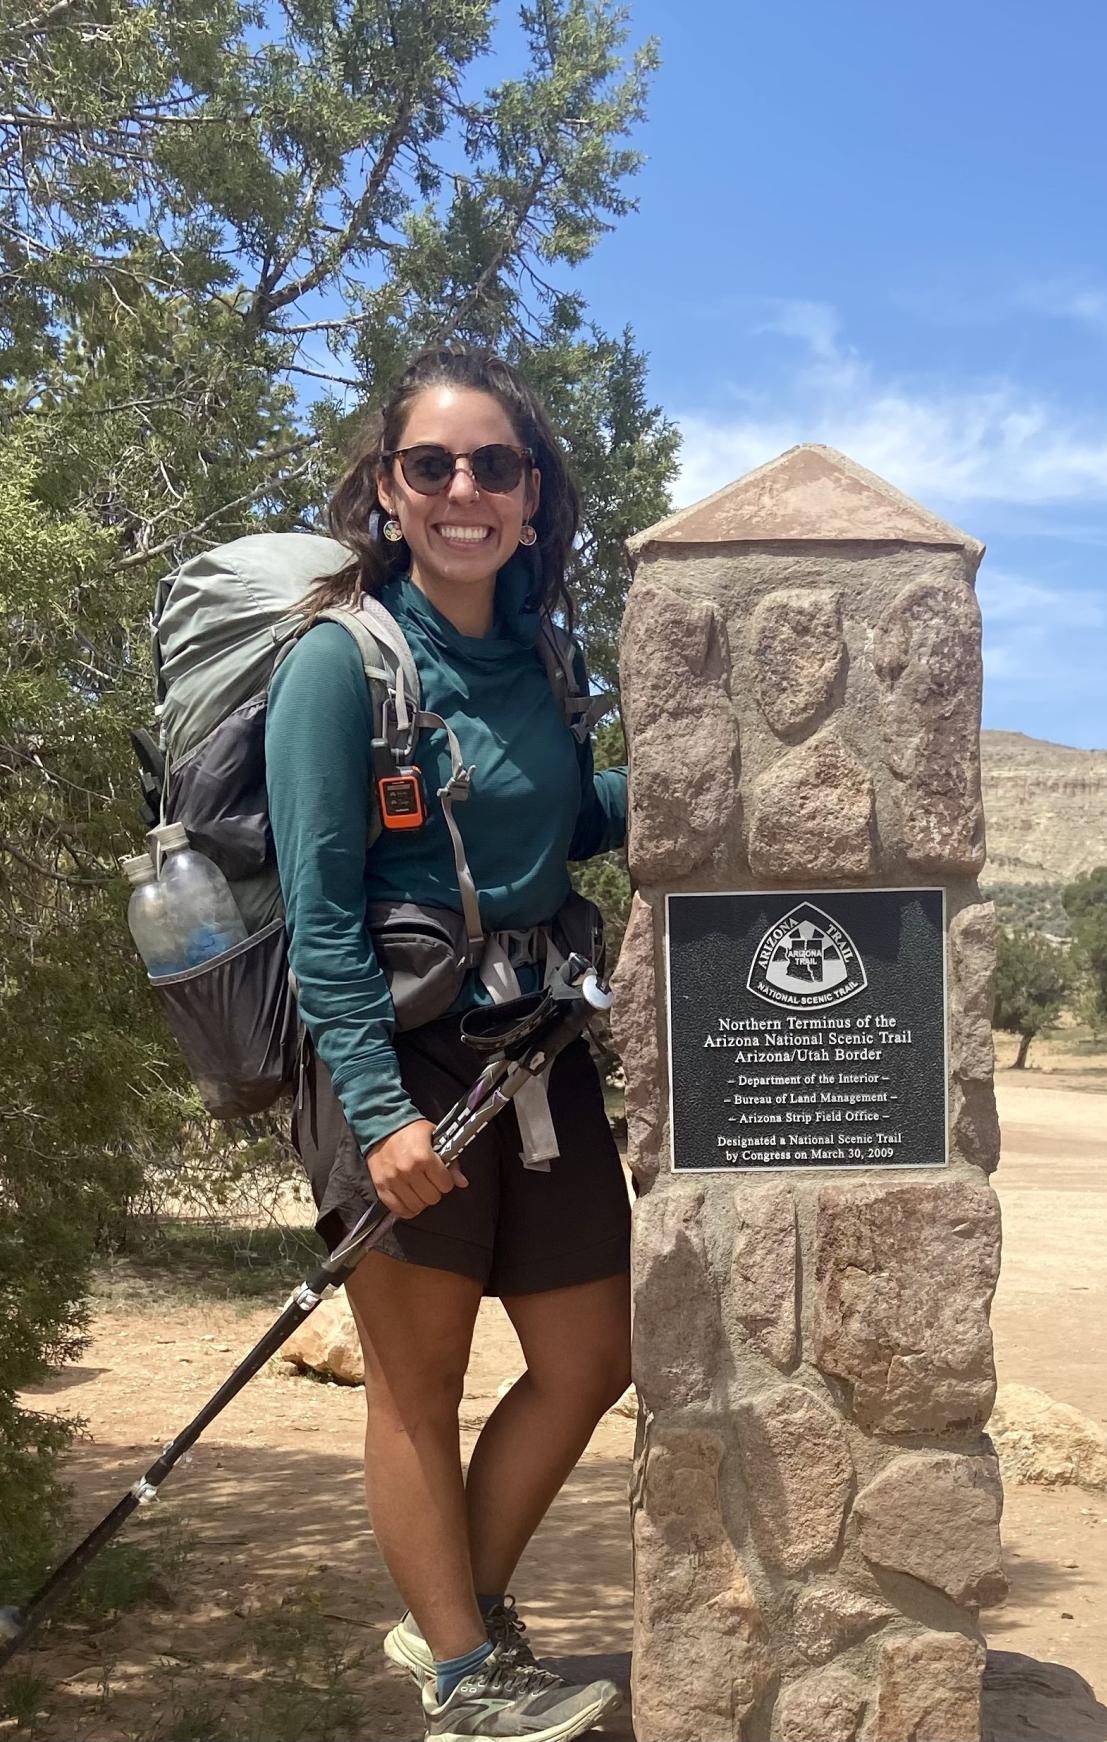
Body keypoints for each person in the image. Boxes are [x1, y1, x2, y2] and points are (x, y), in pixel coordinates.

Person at [266, 347, 632, 1742]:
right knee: (420, 1388)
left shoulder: (544, 656)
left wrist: (693, 780)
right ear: (388, 490)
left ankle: (453, 1619)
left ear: (534, 497)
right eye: (434, 465)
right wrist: (376, 1113)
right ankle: (472, 1678)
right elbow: (321, 911)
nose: (464, 488)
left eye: (495, 465)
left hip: (541, 1055)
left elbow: (558, 823)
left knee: (591, 1352)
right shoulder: (337, 664)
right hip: (405, 1067)